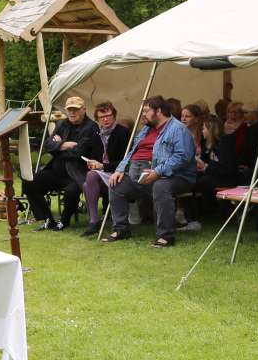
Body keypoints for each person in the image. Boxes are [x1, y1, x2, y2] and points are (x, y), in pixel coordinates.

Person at [102, 96, 198, 247]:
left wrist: (158, 171)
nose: (143, 115)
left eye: (146, 111)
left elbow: (182, 157)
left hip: (177, 176)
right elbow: (132, 151)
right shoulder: (146, 129)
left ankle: (165, 235)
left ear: (158, 111)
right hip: (143, 174)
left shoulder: (177, 129)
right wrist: (120, 169)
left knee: (160, 186)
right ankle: (121, 229)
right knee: (116, 184)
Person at [24, 95, 102, 230]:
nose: (72, 112)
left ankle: (64, 221)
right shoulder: (62, 124)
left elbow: (78, 153)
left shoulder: (91, 127)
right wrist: (65, 145)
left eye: (75, 109)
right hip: (56, 171)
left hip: (77, 172)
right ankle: (48, 219)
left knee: (71, 191)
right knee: (29, 182)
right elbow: (48, 145)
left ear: (83, 110)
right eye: (69, 109)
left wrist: (58, 146)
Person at [79, 101, 131, 237]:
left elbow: (125, 161)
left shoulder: (123, 133)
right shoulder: (96, 134)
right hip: (101, 174)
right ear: (97, 119)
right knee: (89, 178)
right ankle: (94, 221)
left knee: (88, 180)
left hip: (118, 173)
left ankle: (94, 222)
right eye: (102, 117)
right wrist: (91, 163)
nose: (106, 119)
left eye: (108, 115)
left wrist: (102, 166)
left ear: (114, 116)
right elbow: (91, 156)